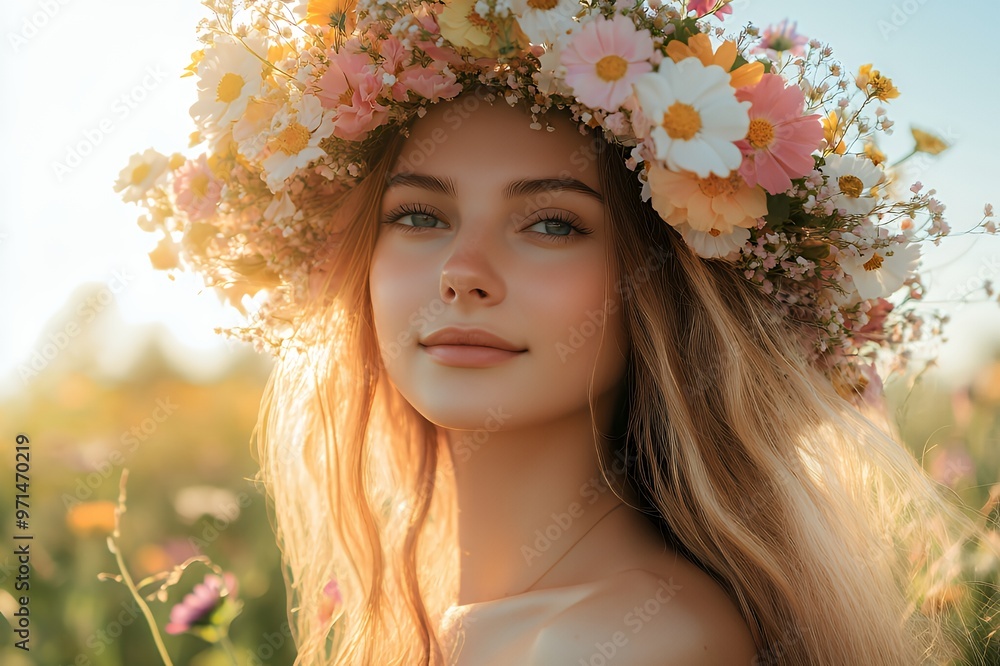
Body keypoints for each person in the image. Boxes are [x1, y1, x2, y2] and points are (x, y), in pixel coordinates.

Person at [117, 1, 997, 663]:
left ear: (663, 289)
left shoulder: (631, 641)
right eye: (419, 215)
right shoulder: (445, 623)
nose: (463, 270)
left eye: (552, 225)